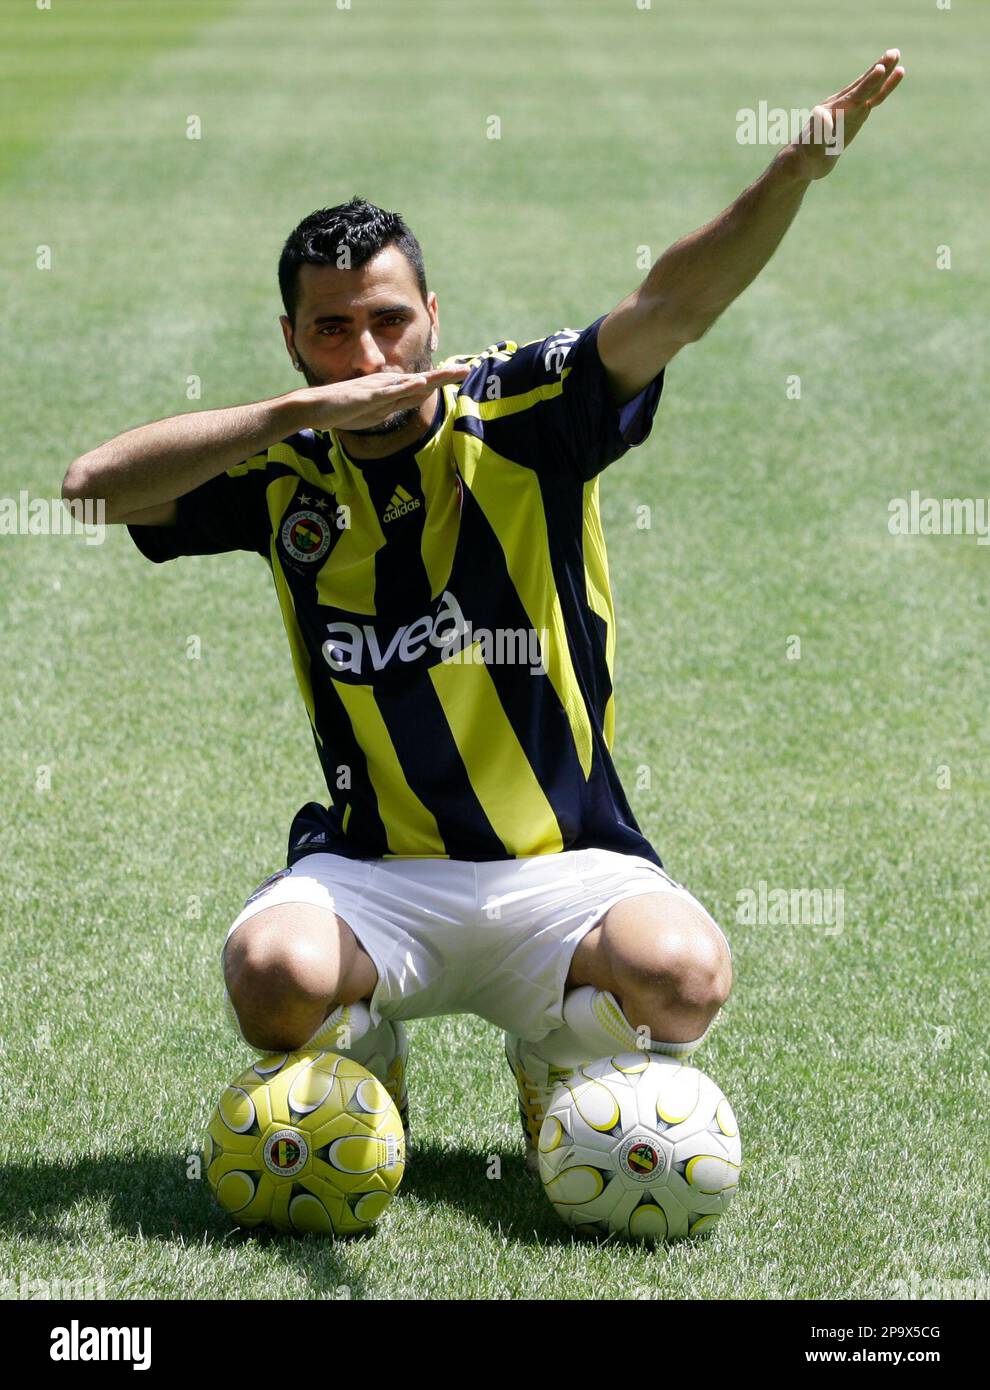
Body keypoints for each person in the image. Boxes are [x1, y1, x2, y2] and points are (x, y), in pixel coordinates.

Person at [62, 51, 904, 1171]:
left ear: (431, 317)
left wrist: (790, 176)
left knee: (686, 976)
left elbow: (672, 306)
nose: (367, 356)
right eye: (330, 332)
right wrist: (296, 412)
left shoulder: (524, 411)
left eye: (387, 321)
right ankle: (359, 1052)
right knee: (272, 977)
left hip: (563, 863)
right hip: (377, 872)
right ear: (292, 340)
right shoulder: (285, 467)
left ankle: (564, 1050)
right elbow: (86, 493)